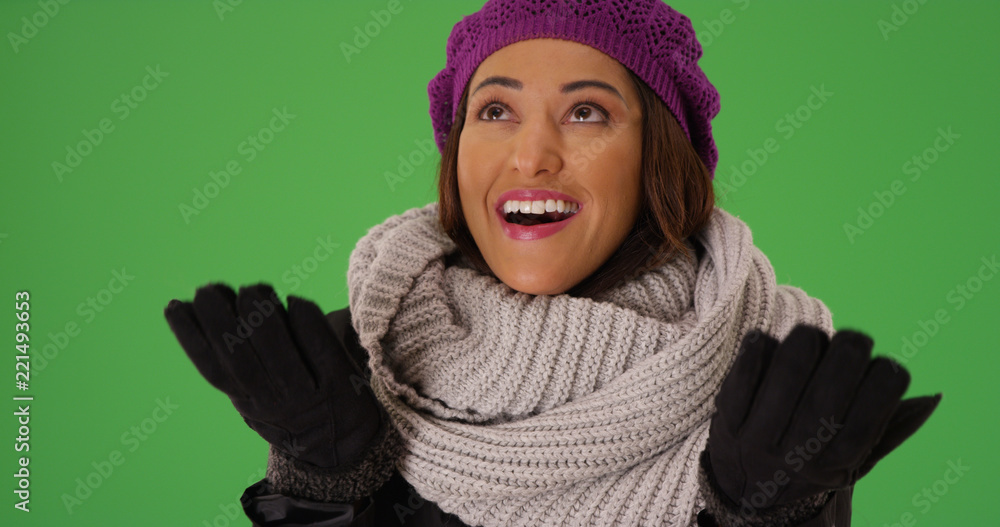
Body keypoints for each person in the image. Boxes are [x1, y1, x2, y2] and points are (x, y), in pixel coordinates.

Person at [164, 1, 941, 525]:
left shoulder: (772, 383)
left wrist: (762, 516)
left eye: (587, 112)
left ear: (658, 159)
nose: (531, 154)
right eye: (495, 110)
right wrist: (322, 489)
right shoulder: (350, 361)